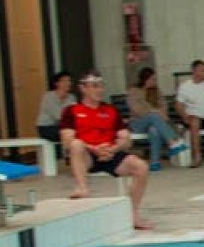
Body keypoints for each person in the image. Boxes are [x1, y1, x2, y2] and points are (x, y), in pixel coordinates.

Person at [59, 72, 154, 230]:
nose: (99, 90)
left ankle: (132, 214)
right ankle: (82, 188)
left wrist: (113, 149)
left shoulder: (111, 110)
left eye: (101, 86)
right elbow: (67, 139)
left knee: (141, 167)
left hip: (110, 152)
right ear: (83, 88)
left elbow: (126, 139)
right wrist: (94, 149)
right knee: (76, 145)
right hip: (87, 155)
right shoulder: (72, 110)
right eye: (94, 86)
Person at [126, 67, 183, 171]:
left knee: (154, 130)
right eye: (152, 79)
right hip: (137, 122)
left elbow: (163, 106)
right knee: (153, 116)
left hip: (155, 122)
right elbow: (136, 109)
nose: (154, 81)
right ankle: (172, 141)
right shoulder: (134, 90)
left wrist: (158, 112)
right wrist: (154, 111)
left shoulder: (157, 91)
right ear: (145, 79)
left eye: (155, 79)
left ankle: (155, 162)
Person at [35, 71, 75, 145]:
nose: (68, 83)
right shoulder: (48, 97)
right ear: (57, 83)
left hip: (62, 126)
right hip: (46, 127)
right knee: (69, 133)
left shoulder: (71, 97)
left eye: (69, 81)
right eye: (64, 81)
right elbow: (58, 116)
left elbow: (73, 114)